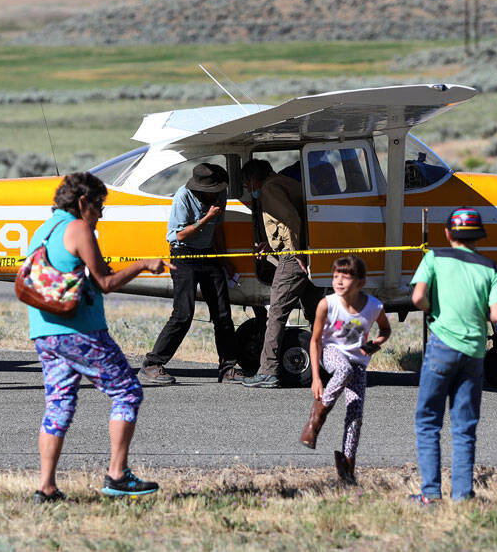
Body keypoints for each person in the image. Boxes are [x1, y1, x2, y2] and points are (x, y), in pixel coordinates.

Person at [29, 172, 171, 503]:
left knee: (58, 405)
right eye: (99, 205)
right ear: (82, 203)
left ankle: (46, 488)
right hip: (80, 331)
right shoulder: (78, 228)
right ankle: (118, 475)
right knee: (127, 392)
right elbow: (105, 281)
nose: (102, 213)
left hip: (45, 332)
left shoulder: (43, 229)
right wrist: (143, 264)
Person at [410, 207, 497, 504]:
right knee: (464, 426)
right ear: (480, 237)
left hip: (441, 346)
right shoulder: (491, 268)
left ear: (448, 233)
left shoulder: (434, 258)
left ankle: (431, 494)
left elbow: (417, 297)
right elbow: (496, 313)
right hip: (474, 351)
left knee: (428, 421)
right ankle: (462, 495)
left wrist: (431, 309)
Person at [139, 163, 244, 386]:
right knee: (183, 314)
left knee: (222, 314)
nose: (217, 192)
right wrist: (206, 217)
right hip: (184, 255)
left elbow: (218, 229)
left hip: (208, 254)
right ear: (202, 187)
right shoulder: (183, 197)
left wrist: (225, 260)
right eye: (214, 189)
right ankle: (152, 364)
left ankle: (228, 368)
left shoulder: (219, 195)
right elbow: (178, 235)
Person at [300, 255, 391, 484]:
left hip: (358, 363)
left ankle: (347, 467)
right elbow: (315, 341)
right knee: (343, 370)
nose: (338, 281)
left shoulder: (373, 306)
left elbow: (385, 331)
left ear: (360, 282)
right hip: (331, 354)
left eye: (346, 277)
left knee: (356, 415)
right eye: (335, 276)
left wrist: (373, 345)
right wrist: (316, 379)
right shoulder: (327, 304)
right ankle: (317, 417)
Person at [241, 158, 322, 388]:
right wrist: (271, 244)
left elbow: (290, 219)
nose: (249, 191)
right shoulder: (284, 183)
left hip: (293, 258)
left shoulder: (269, 189)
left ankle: (268, 371)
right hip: (306, 254)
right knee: (316, 312)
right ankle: (334, 363)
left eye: (248, 186)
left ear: (255, 180)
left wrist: (295, 253)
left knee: (276, 312)